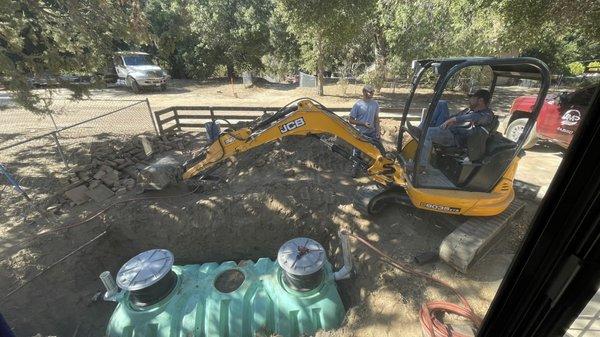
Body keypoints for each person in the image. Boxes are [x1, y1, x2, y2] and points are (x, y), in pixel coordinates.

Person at [417, 89, 494, 171]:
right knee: (441, 103)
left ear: (480, 100)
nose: (469, 100)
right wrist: (450, 120)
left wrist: (455, 119)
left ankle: (421, 165)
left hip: (455, 137)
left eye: (472, 97)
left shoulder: (487, 114)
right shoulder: (469, 110)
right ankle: (420, 128)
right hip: (448, 130)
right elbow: (455, 117)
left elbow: (475, 117)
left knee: (427, 133)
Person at [349, 84, 382, 176]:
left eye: (373, 92)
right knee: (357, 153)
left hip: (372, 132)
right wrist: (363, 123)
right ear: (364, 92)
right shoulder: (358, 105)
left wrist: (378, 131)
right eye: (370, 92)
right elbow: (351, 120)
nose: (372, 93)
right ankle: (355, 170)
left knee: (378, 151)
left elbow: (376, 119)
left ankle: (378, 170)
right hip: (360, 133)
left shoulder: (375, 104)